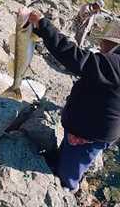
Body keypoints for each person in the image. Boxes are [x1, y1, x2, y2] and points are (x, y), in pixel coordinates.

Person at [28, 10, 120, 192]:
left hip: (89, 135)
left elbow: (75, 58)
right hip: (87, 129)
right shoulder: (111, 63)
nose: (100, 45)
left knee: (68, 175)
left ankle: (66, 190)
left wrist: (44, 25)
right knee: (69, 154)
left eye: (105, 42)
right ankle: (64, 164)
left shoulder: (114, 64)